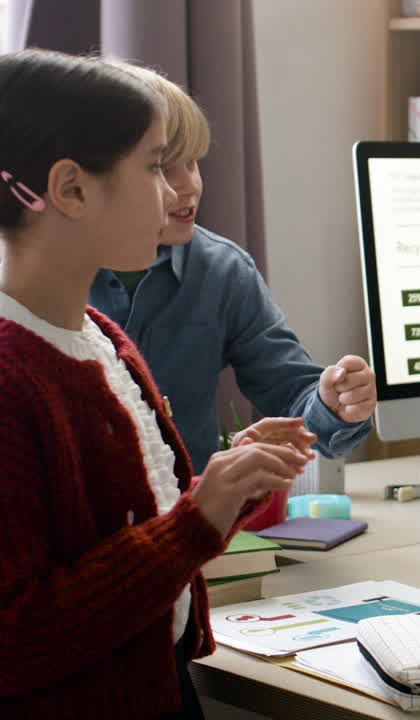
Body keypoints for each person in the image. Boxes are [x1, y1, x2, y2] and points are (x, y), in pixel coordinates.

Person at [0, 49, 315, 717]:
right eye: (152, 167)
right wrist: (197, 520)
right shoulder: (10, 379)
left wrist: (223, 492)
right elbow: (14, 637)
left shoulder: (104, 341)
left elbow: (135, 545)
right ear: (71, 189)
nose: (177, 195)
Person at [89, 62, 376, 475]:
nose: (189, 185)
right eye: (163, 167)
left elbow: (295, 400)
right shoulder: (47, 275)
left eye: (193, 163)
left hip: (189, 525)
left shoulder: (222, 271)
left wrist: (335, 404)